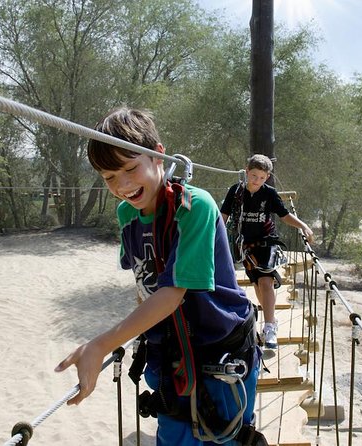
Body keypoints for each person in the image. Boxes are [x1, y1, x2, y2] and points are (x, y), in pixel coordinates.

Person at [55, 107, 265, 446]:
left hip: (219, 352)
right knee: (174, 436)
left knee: (225, 436)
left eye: (129, 168)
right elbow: (144, 283)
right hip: (171, 354)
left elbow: (172, 292)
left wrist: (101, 344)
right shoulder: (127, 215)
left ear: (158, 156)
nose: (122, 185)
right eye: (108, 177)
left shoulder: (195, 207)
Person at [220, 154, 314, 350]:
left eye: (262, 178)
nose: (257, 181)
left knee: (265, 280)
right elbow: (223, 217)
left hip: (266, 242)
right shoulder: (235, 192)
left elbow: (284, 215)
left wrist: (302, 226)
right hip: (245, 245)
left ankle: (270, 326)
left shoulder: (269, 193)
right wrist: (211, 237)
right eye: (254, 176)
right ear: (247, 171)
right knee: (257, 284)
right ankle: (270, 319)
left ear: (267, 177)